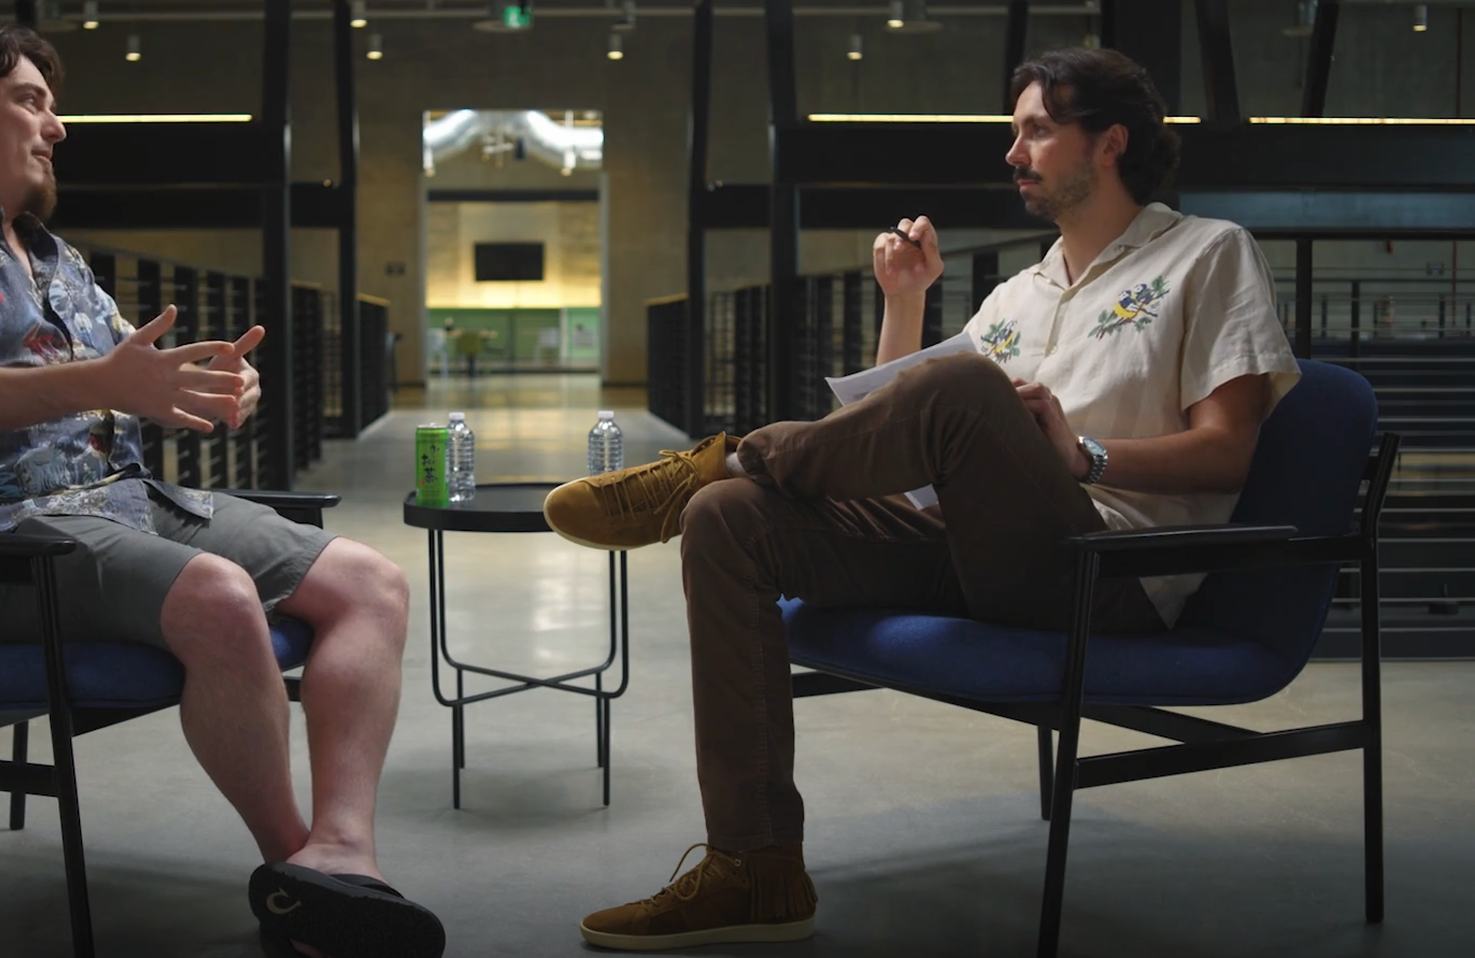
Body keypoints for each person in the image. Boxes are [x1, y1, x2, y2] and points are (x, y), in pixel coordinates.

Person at [541, 48, 1299, 952]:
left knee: (969, 388)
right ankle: (756, 870)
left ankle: (730, 456)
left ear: (1110, 143)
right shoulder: (1020, 290)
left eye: (1036, 131)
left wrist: (1083, 455)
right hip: (971, 551)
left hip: (1107, 572)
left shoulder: (1207, 254)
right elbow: (908, 438)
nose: (1013, 154)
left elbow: (1231, 451)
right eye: (1015, 133)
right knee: (728, 523)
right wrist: (905, 305)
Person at [0, 21, 443, 958]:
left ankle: (340, 857)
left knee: (372, 585)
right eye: (31, 100)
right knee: (221, 597)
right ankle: (299, 886)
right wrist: (100, 383)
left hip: (122, 507)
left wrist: (207, 386)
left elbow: (127, 381)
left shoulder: (58, 261)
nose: (55, 126)